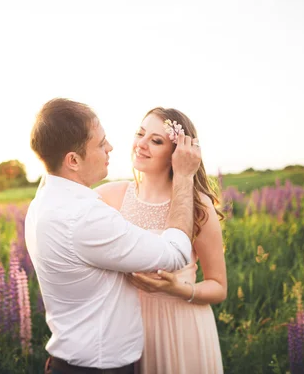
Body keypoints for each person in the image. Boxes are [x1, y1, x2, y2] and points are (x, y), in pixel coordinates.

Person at [24, 98, 203, 374]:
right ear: (72, 160)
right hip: (98, 368)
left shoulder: (45, 197)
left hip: (71, 361)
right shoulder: (85, 216)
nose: (110, 147)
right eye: (100, 143)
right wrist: (184, 177)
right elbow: (176, 254)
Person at [96, 107, 227, 374]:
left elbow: (218, 287)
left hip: (181, 327)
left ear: (177, 153)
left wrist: (177, 289)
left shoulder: (198, 205)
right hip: (124, 330)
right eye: (140, 133)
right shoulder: (109, 196)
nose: (141, 144)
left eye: (156, 140)